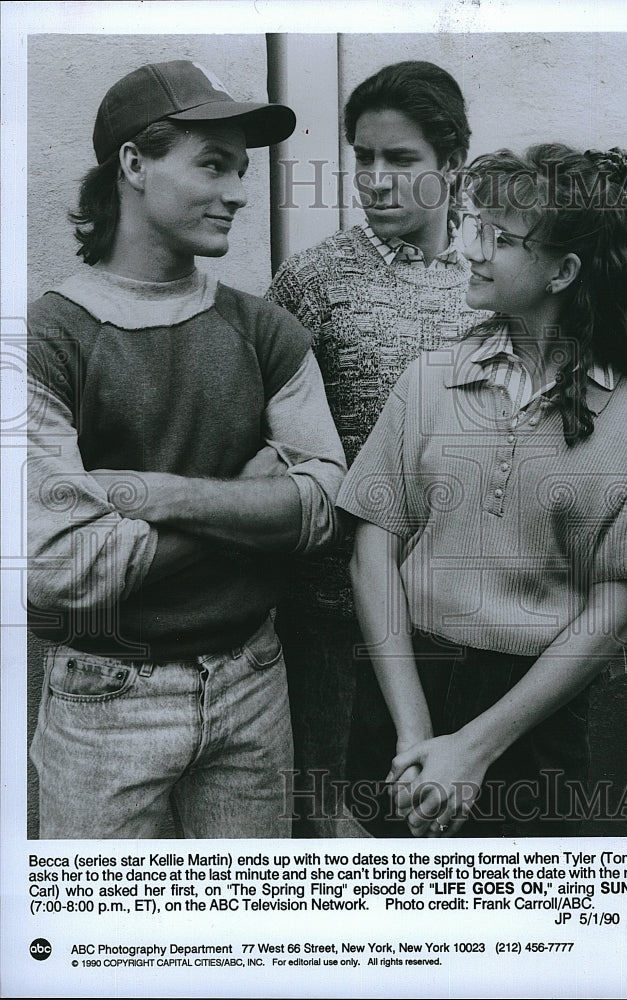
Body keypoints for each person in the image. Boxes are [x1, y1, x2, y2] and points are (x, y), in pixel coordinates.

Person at [26, 60, 346, 839]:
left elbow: (323, 508)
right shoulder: (47, 339)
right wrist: (245, 497)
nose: (238, 191)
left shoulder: (265, 329)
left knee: (245, 947)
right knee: (104, 948)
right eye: (212, 164)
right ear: (134, 164)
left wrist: (158, 495)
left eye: (240, 169)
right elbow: (61, 569)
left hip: (253, 683)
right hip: (103, 700)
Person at [337, 143, 627, 837]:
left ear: (563, 271)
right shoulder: (430, 378)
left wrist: (472, 750)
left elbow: (612, 613)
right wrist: (413, 736)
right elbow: (371, 545)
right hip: (401, 684)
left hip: (532, 726)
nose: (471, 249)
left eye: (499, 237)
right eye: (475, 226)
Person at [264, 61, 481, 834]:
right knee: (325, 823)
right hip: (325, 617)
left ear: (452, 166)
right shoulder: (314, 281)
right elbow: (262, 434)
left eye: (402, 160)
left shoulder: (490, 283)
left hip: (456, 614)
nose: (377, 181)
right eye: (365, 158)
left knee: (435, 823)